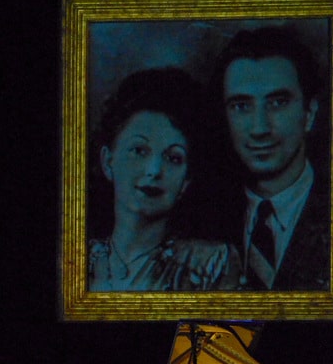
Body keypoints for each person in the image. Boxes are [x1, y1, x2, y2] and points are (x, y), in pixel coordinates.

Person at [88, 67, 242, 291]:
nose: (154, 170)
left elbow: (236, 328)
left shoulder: (209, 263)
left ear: (186, 180)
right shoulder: (75, 260)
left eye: (173, 158)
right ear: (107, 161)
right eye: (139, 150)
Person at [205, 26, 330, 291]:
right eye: (241, 106)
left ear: (309, 113)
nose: (260, 128)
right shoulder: (202, 219)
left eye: (277, 103)